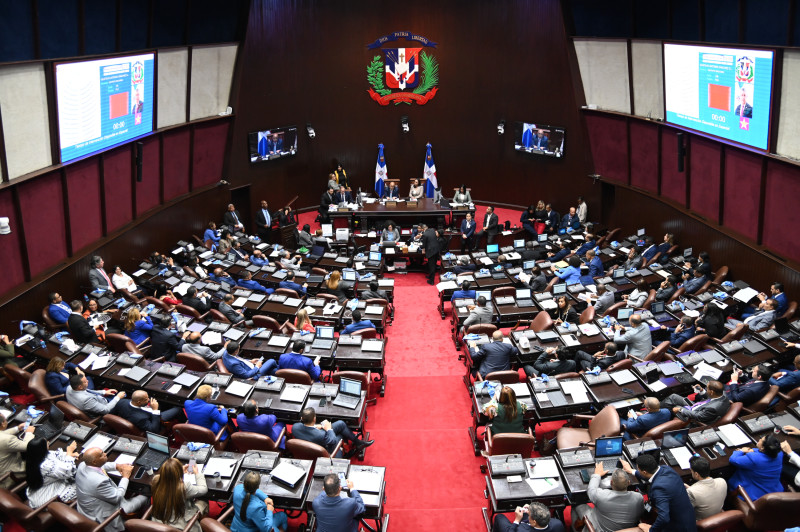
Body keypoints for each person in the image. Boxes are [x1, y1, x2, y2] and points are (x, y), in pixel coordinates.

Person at [75, 446, 149, 532]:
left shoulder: (83, 465)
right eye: (101, 455)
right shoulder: (99, 482)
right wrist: (125, 476)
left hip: (87, 508)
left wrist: (117, 466)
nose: (105, 454)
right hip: (106, 514)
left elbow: (101, 466)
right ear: (94, 461)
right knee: (147, 494)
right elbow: (118, 497)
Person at [620, 454, 697, 532]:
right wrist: (631, 471)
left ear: (644, 472)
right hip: (689, 518)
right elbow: (650, 475)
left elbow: (664, 518)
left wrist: (651, 530)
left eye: (638, 469)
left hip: (679, 528)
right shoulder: (666, 469)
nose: (638, 470)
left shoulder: (659, 489)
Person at [572, 465, 643, 532]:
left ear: (611, 482)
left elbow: (591, 490)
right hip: (627, 530)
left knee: (576, 503)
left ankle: (574, 529)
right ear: (628, 482)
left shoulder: (602, 496)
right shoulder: (638, 498)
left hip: (599, 529)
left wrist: (597, 475)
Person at [150, 458, 208, 532]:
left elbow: (168, 479)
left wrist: (178, 472)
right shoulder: (183, 487)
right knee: (203, 502)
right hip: (181, 526)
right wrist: (197, 473)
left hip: (159, 522)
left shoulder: (155, 480)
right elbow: (203, 489)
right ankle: (203, 525)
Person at [292, 407, 374, 457]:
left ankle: (358, 443)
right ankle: (345, 453)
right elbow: (332, 440)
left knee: (341, 424)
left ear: (302, 419)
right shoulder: (321, 435)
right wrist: (328, 429)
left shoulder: (295, 427)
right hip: (325, 448)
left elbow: (308, 428)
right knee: (341, 434)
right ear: (314, 419)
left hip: (314, 437)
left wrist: (316, 426)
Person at [25, 437, 79, 508]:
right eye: (46, 443)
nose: (48, 442)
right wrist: (69, 454)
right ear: (42, 448)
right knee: (80, 483)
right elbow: (68, 470)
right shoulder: (45, 465)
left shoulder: (34, 456)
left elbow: (54, 455)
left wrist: (69, 455)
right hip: (44, 498)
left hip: (43, 486)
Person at [728, 434, 783, 500]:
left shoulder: (754, 459)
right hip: (775, 492)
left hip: (755, 496)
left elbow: (733, 460)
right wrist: (753, 450)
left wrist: (741, 451)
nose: (759, 440)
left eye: (761, 440)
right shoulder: (779, 454)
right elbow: (763, 453)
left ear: (763, 448)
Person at [662, 380, 730, 426]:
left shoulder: (712, 409)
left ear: (712, 392)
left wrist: (680, 409)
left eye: (707, 388)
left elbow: (698, 416)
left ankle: (659, 415)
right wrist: (702, 391)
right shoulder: (722, 394)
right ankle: (657, 407)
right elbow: (711, 397)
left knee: (673, 406)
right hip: (697, 406)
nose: (706, 388)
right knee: (673, 397)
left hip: (693, 417)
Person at [111, 390, 184, 433]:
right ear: (139, 402)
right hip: (155, 419)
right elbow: (154, 430)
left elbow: (112, 413)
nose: (148, 400)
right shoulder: (140, 418)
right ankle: (183, 424)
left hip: (146, 412)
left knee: (162, 403)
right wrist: (155, 410)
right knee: (178, 409)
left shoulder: (122, 401)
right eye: (146, 399)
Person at [685, 456, 727, 521]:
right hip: (718, 515)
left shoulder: (691, 492)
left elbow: (684, 510)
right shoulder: (722, 481)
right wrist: (692, 488)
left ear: (696, 474)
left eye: (691, 470)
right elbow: (706, 494)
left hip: (701, 523)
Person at [0, 413, 36, 488]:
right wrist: (29, 432)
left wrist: (18, 428)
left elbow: (2, 434)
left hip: (2, 472)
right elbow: (27, 446)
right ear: (3, 424)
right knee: (39, 455)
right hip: (11, 475)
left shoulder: (4, 437)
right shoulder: (7, 439)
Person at [492, 501, 565, 532]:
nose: (527, 512)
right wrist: (532, 509)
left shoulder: (521, 530)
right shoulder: (558, 523)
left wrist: (516, 521)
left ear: (534, 522)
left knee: (499, 517)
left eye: (529, 515)